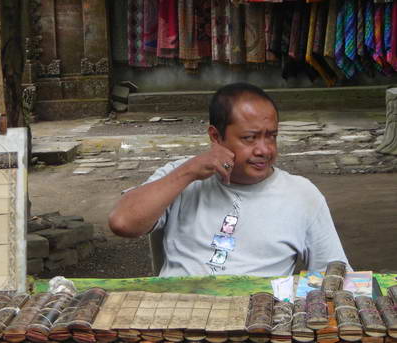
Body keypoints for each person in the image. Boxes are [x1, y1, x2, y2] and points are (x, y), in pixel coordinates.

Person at [109, 82, 350, 277]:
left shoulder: (302, 195)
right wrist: (188, 172)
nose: (264, 150)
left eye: (271, 136)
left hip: (258, 321)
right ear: (216, 136)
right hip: (177, 315)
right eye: (250, 138)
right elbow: (122, 223)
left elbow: (334, 275)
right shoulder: (181, 177)